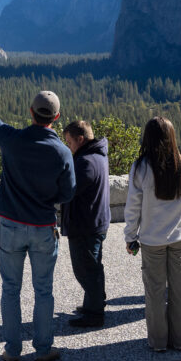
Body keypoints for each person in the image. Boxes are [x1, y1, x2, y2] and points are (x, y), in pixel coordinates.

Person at [0, 85, 74, 361]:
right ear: (56, 118)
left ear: (31, 113)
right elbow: (67, 193)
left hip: (10, 226)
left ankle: (12, 350)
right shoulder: (62, 153)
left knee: (11, 289)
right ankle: (43, 349)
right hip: (44, 228)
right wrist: (47, 199)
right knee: (43, 290)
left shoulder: (12, 140)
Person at [124, 117, 181, 352]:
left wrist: (130, 236)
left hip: (151, 239)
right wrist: (180, 218)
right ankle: (180, 340)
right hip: (179, 235)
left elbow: (133, 207)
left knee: (155, 291)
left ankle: (157, 342)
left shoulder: (140, 167)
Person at [61, 120, 111, 329]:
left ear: (80, 139)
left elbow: (68, 190)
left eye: (69, 142)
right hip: (94, 222)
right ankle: (94, 302)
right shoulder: (97, 156)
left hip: (85, 225)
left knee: (85, 270)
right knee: (92, 267)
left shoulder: (85, 162)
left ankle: (94, 314)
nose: (68, 147)